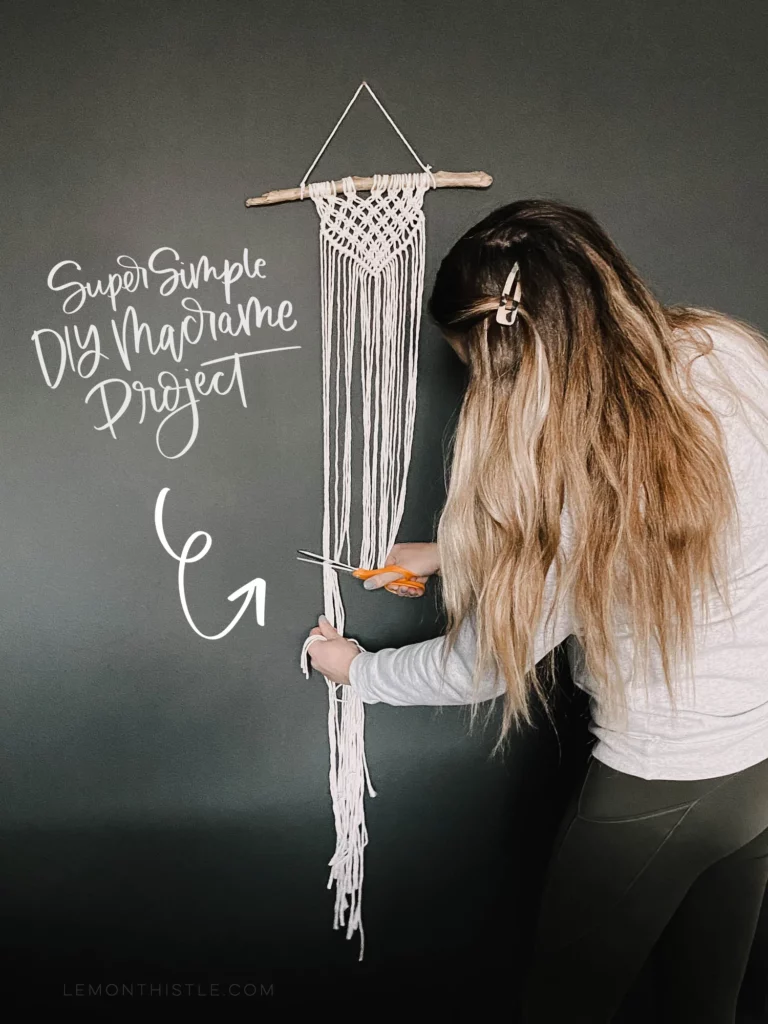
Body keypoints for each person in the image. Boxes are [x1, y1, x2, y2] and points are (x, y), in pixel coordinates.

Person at [302, 199, 768, 1023]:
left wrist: (354, 671)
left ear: (507, 362)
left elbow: (476, 668)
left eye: (475, 370)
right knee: (707, 1005)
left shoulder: (571, 479)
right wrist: (452, 552)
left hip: (657, 791)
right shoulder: (724, 352)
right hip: (758, 766)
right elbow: (666, 532)